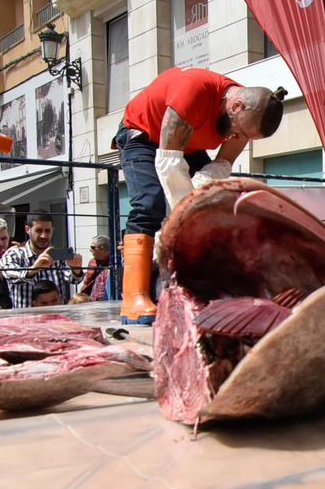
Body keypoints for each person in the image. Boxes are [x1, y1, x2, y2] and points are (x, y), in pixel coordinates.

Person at [113, 67, 285, 324]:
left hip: (189, 146)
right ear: (236, 105)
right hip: (144, 137)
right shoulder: (193, 90)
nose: (237, 138)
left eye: (247, 137)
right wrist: (187, 212)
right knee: (150, 204)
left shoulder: (246, 118)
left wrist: (203, 202)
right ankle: (133, 298)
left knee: (214, 205)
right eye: (241, 131)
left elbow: (220, 166)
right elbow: (169, 164)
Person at [0, 214, 81, 308]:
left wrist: (76, 269)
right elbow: (10, 275)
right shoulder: (14, 254)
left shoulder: (58, 255)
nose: (43, 235)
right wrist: (34, 268)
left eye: (47, 231)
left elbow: (74, 280)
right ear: (27, 230)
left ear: (52, 230)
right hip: (26, 319)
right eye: (39, 230)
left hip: (55, 317)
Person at [76, 235, 112, 301]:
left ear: (101, 249)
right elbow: (87, 283)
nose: (90, 250)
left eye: (92, 247)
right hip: (92, 300)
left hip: (107, 300)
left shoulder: (114, 263)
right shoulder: (92, 262)